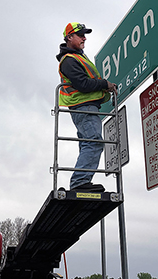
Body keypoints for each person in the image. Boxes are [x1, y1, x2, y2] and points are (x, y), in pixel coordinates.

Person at [56, 22, 117, 192]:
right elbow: (82, 83)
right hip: (83, 106)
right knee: (94, 141)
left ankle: (80, 181)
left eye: (85, 35)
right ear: (69, 37)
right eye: (80, 35)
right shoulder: (69, 60)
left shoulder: (78, 57)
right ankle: (80, 182)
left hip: (85, 106)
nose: (84, 38)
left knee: (87, 142)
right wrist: (105, 84)